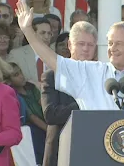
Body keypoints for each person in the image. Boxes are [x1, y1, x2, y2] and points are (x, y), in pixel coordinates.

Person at [15, 0, 124, 111]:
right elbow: (53, 60)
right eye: (110, 43)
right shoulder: (90, 72)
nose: (113, 48)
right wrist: (28, 31)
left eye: (119, 43)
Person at [41, 29, 95, 166]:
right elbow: (50, 114)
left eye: (90, 45)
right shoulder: (52, 75)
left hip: (93, 150)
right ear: (70, 45)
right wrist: (83, 103)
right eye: (81, 43)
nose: (85, 49)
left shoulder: (101, 76)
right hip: (61, 152)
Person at [7, 62, 46, 165]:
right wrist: (48, 129)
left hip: (46, 121)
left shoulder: (31, 87)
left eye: (20, 72)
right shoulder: (14, 95)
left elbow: (43, 104)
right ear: (9, 81)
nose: (21, 76)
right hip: (34, 129)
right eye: (16, 75)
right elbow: (32, 117)